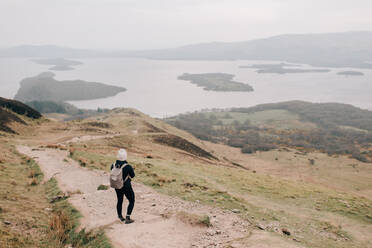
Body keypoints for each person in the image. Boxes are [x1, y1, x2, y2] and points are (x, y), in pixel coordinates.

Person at [110, 148, 135, 224]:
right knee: (131, 200)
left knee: (120, 200)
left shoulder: (113, 165)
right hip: (126, 186)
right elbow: (133, 175)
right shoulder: (128, 166)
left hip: (117, 185)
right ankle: (128, 217)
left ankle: (120, 216)